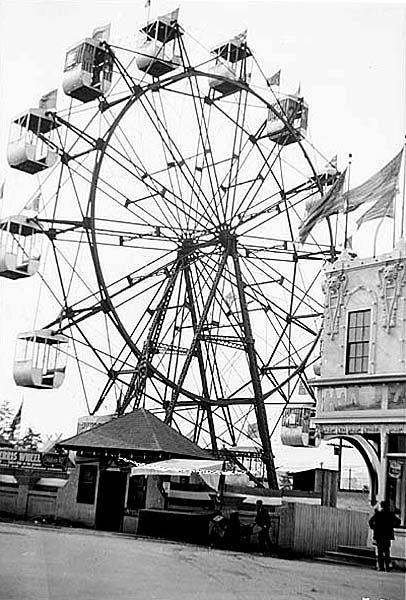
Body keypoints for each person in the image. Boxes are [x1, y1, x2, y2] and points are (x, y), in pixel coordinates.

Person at [368, 501, 401, 571]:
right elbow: (398, 521)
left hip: (379, 535)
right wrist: (392, 526)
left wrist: (374, 527)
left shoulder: (378, 514)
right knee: (386, 551)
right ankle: (387, 567)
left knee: (380, 552)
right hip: (387, 535)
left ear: (381, 506)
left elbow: (370, 522)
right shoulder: (390, 514)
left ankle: (381, 567)